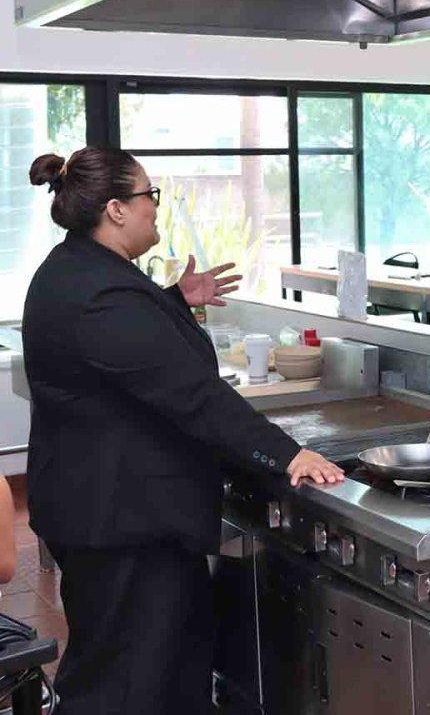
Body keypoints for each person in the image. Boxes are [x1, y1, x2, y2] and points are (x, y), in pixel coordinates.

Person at [22, 147, 344, 713]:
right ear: (117, 209)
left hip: (109, 510)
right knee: (125, 683)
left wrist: (174, 299)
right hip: (123, 521)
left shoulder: (78, 269)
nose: (155, 206)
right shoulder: (100, 293)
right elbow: (191, 394)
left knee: (163, 668)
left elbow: (129, 345)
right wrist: (287, 454)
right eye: (149, 194)